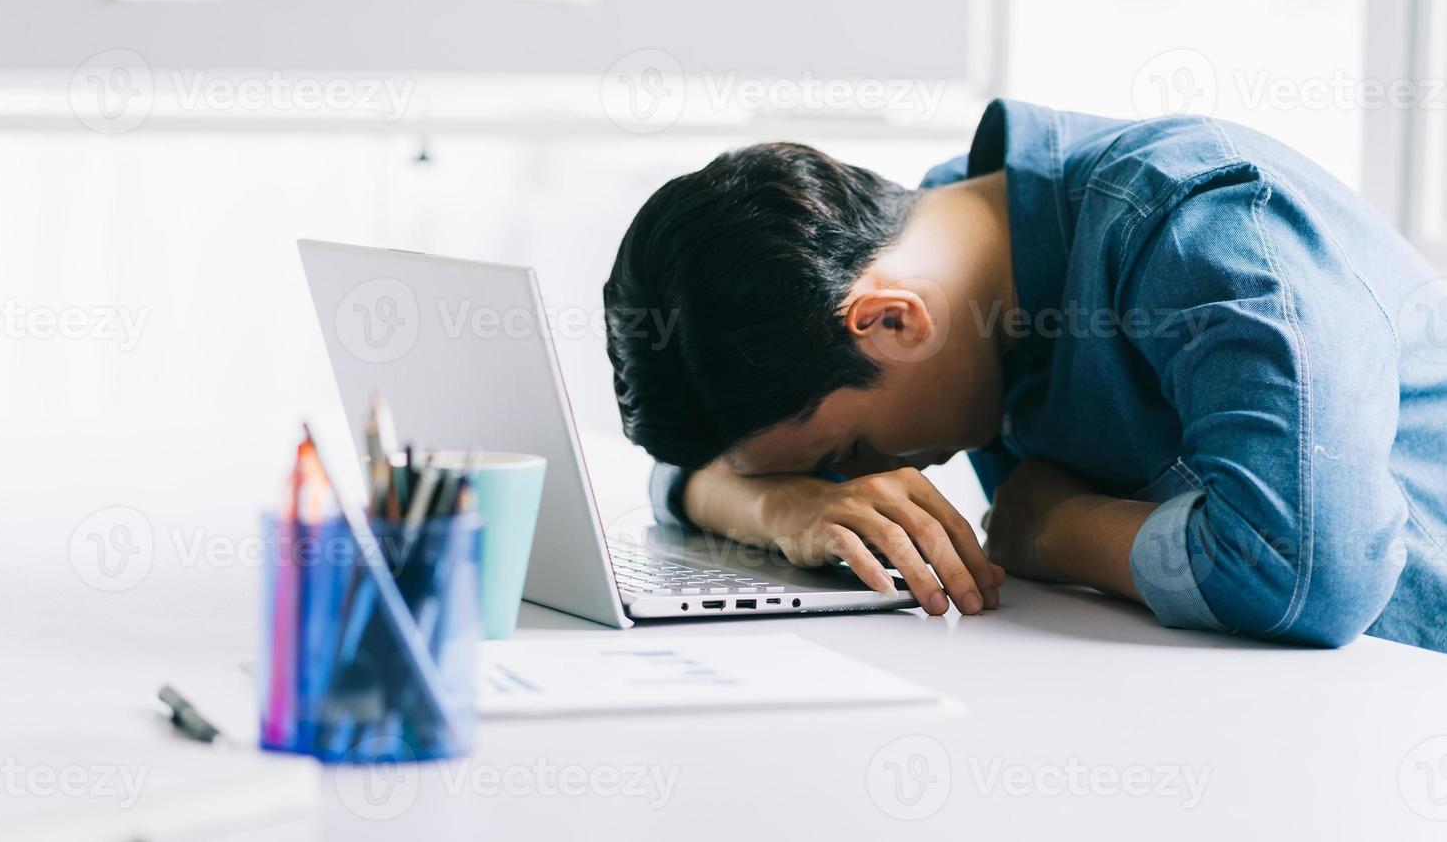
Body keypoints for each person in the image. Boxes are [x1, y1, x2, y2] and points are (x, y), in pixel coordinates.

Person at [602, 99, 1447, 652]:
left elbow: (1304, 570)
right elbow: (689, 468)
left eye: (851, 449)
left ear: (894, 321)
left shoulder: (1204, 224)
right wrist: (786, 505)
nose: (861, 478)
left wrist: (1053, 528)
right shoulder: (940, 245)